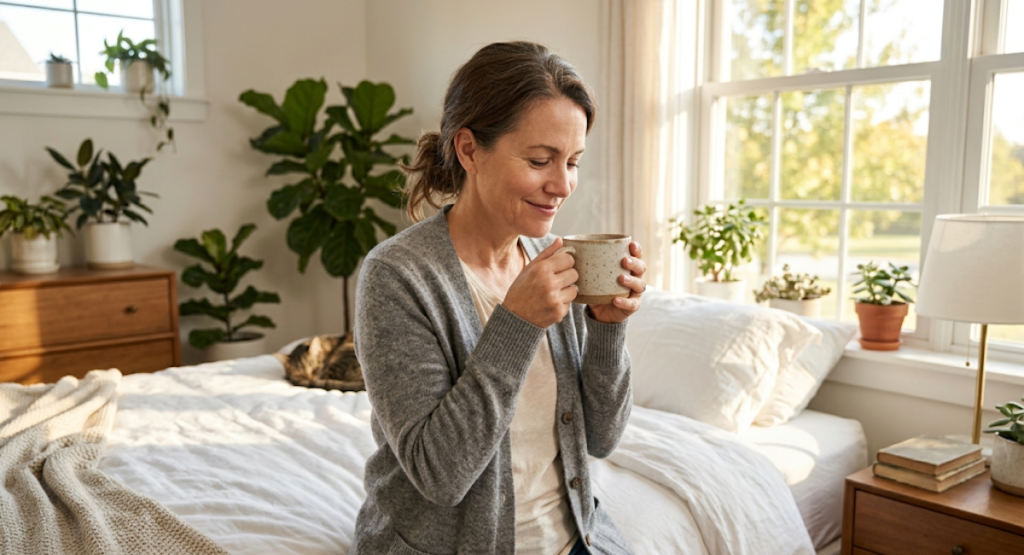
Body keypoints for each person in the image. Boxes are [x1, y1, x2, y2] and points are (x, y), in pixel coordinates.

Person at [351, 41, 645, 555]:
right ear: (468, 150)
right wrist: (516, 323)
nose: (562, 185)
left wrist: (607, 328)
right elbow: (439, 476)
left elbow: (600, 439)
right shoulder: (397, 276)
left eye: (572, 162)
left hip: (574, 535)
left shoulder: (554, 259)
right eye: (539, 160)